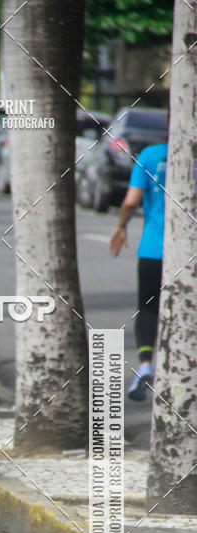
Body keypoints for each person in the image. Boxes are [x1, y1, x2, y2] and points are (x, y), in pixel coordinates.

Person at [109, 134, 167, 401]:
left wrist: (120, 227)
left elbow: (131, 201)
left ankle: (145, 363)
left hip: (154, 249)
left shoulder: (150, 155)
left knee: (148, 307)